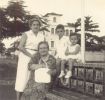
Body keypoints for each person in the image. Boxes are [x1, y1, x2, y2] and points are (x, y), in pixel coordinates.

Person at [15, 16, 45, 100]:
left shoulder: (42, 35)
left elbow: (44, 47)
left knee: (34, 78)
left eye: (37, 25)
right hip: (25, 56)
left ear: (39, 26)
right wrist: (31, 55)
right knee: (22, 77)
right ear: (30, 26)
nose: (36, 26)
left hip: (37, 57)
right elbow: (20, 47)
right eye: (34, 24)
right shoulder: (26, 34)